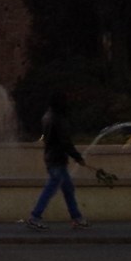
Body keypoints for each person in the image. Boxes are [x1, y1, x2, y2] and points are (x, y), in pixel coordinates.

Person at [22, 90, 89, 230]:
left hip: (52, 157)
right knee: (51, 188)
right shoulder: (58, 118)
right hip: (57, 158)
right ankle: (35, 216)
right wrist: (77, 157)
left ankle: (76, 217)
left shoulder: (48, 116)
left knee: (67, 188)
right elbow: (65, 141)